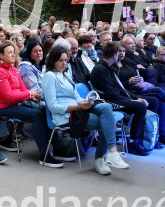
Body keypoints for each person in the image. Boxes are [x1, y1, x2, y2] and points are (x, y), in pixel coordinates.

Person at [42, 46, 130, 175]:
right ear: (52, 61)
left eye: (66, 60)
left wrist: (85, 102)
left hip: (79, 109)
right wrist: (77, 106)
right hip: (67, 114)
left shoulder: (65, 74)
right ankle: (103, 158)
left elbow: (75, 96)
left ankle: (111, 154)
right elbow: (52, 106)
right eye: (61, 60)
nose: (64, 63)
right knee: (106, 122)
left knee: (106, 107)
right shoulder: (49, 76)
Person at [0, 41, 59, 168]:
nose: (13, 54)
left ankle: (54, 146)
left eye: (13, 52)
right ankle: (44, 155)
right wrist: (29, 94)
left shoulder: (14, 70)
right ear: (0, 56)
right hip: (2, 108)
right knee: (36, 114)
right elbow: (8, 97)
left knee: (44, 109)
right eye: (9, 52)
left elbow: (22, 90)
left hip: (15, 104)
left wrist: (32, 95)